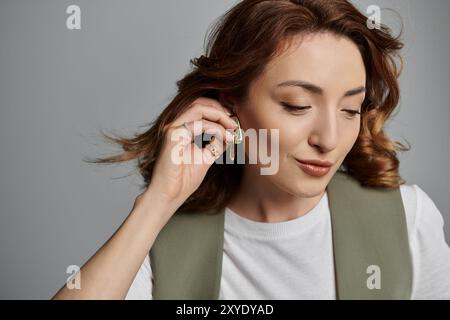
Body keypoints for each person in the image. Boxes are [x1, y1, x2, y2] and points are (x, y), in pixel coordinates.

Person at [52, 0, 450, 300]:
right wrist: (158, 202)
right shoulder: (161, 239)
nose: (329, 139)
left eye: (350, 109)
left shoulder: (407, 217)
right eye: (297, 105)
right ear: (231, 103)